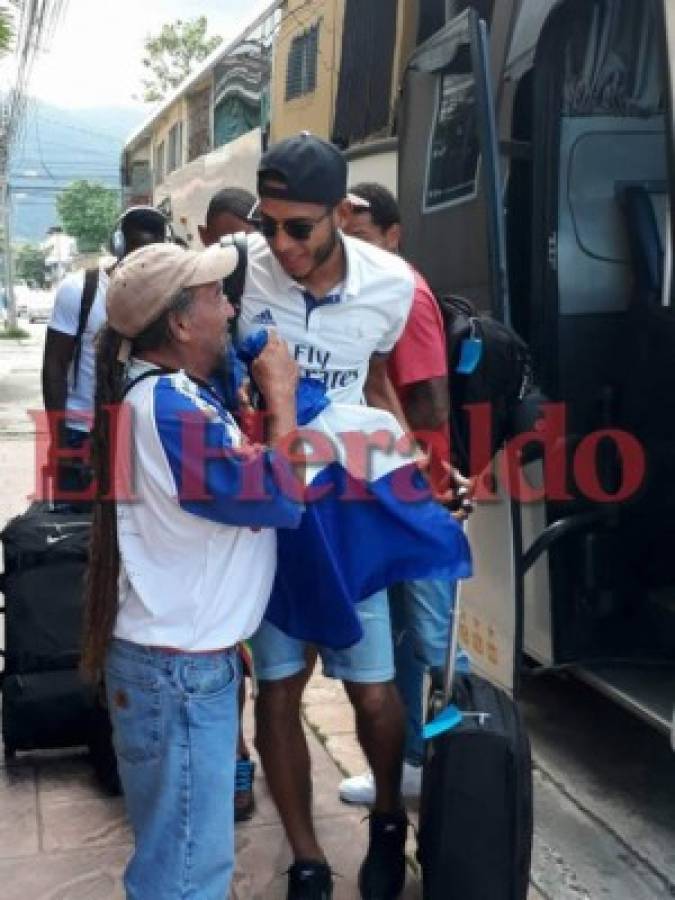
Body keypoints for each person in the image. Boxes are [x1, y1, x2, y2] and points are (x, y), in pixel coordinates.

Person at [81, 241, 303, 900]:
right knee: (185, 874)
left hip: (168, 665)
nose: (230, 304)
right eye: (215, 296)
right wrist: (282, 398)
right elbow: (279, 493)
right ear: (179, 324)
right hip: (177, 674)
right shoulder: (171, 410)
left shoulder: (165, 397)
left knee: (174, 858)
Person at [239, 133, 415, 900]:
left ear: (341, 213)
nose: (278, 243)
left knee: (371, 689)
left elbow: (376, 378)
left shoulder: (391, 284)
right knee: (279, 681)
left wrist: (413, 470)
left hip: (348, 505)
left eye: (297, 227)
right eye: (266, 222)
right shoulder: (242, 271)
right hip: (271, 501)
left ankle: (386, 820)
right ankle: (307, 857)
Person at [339, 182, 455, 804]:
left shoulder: (400, 290)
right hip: (390, 486)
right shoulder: (371, 288)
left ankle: (461, 761)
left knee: (436, 638)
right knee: (409, 634)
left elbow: (432, 397)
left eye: (360, 237)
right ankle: (415, 761)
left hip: (419, 490)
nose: (351, 250)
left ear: (392, 235)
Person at [41, 206, 169, 497]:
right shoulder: (80, 290)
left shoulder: (169, 296)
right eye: (136, 250)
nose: (143, 262)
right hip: (81, 433)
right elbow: (54, 367)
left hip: (140, 436)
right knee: (76, 534)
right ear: (119, 245)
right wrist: (59, 441)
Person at [199, 185, 257, 823]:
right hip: (232, 490)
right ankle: (236, 760)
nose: (229, 251)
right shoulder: (200, 307)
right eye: (219, 239)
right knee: (231, 647)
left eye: (239, 238)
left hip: (266, 485)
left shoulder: (256, 300)